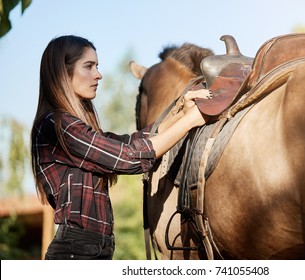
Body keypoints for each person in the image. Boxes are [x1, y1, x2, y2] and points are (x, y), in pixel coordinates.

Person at [30, 35, 210, 260]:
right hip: (75, 253)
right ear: (62, 74)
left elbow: (128, 143)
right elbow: (129, 158)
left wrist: (180, 112)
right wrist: (191, 120)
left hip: (92, 250)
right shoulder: (56, 126)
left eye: (97, 66)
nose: (99, 74)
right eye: (89, 66)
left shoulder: (74, 129)